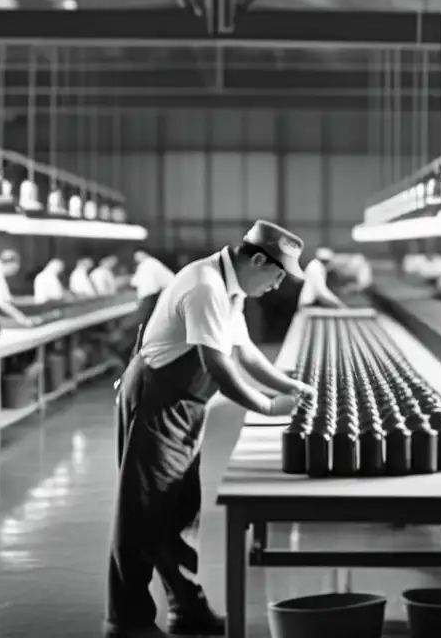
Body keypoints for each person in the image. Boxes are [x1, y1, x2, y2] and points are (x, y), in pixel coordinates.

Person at [106, 221, 316, 638]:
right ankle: (126, 622)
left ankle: (187, 607)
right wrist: (267, 406)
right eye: (278, 275)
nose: (277, 286)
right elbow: (218, 368)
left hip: (182, 408)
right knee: (144, 512)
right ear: (258, 260)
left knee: (177, 508)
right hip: (156, 403)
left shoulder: (228, 286)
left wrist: (289, 386)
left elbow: (244, 351)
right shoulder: (206, 286)